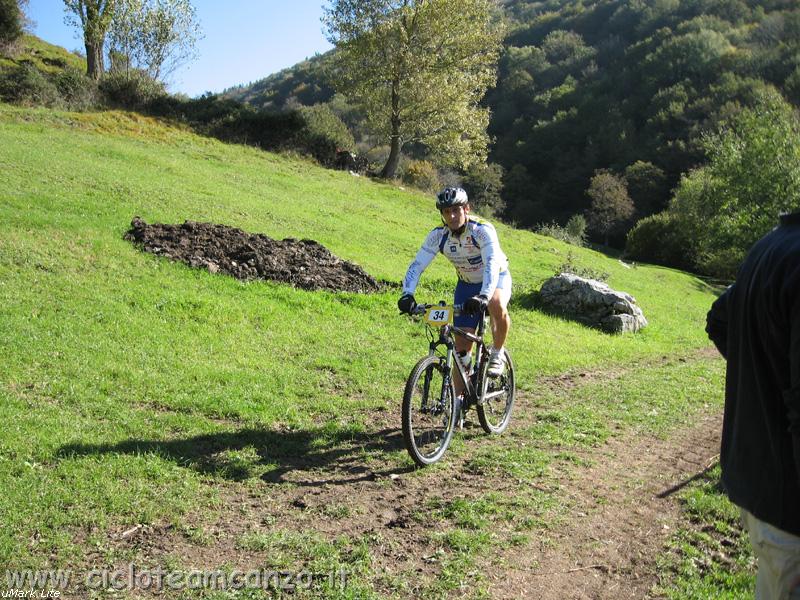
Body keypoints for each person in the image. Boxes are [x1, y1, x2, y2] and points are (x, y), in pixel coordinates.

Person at [706, 210, 800, 599]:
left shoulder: (771, 244)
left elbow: (719, 319)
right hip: (790, 507)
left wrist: (762, 376)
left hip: (761, 488)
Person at [398, 186, 511, 385]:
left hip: (496, 278)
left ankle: (497, 352)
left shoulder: (482, 230)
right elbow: (417, 265)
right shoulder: (438, 236)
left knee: (496, 304)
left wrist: (484, 295)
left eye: (456, 210)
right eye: (446, 211)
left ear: (466, 209)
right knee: (461, 350)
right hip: (466, 285)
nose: (451, 216)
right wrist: (407, 294)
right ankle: (458, 407)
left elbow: (492, 264)